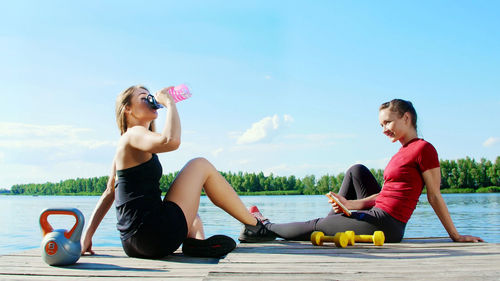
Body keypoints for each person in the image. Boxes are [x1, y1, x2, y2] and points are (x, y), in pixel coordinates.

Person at [239, 99, 483, 243]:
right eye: (381, 125)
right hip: (378, 213)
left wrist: (456, 235)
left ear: (406, 118)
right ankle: (334, 219)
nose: (384, 129)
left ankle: (264, 227)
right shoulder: (401, 153)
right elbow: (386, 194)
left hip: (387, 225)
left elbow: (434, 196)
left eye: (387, 122)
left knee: (315, 225)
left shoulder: (424, 149)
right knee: (357, 170)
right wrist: (351, 204)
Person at [81, 85, 275, 259]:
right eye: (143, 97)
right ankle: (255, 227)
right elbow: (171, 141)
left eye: (151, 96)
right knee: (200, 165)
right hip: (153, 235)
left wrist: (87, 236)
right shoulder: (133, 134)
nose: (150, 99)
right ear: (127, 109)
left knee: (194, 218)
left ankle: (197, 243)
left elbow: (109, 192)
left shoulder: (124, 144)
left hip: (132, 243)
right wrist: (170, 103)